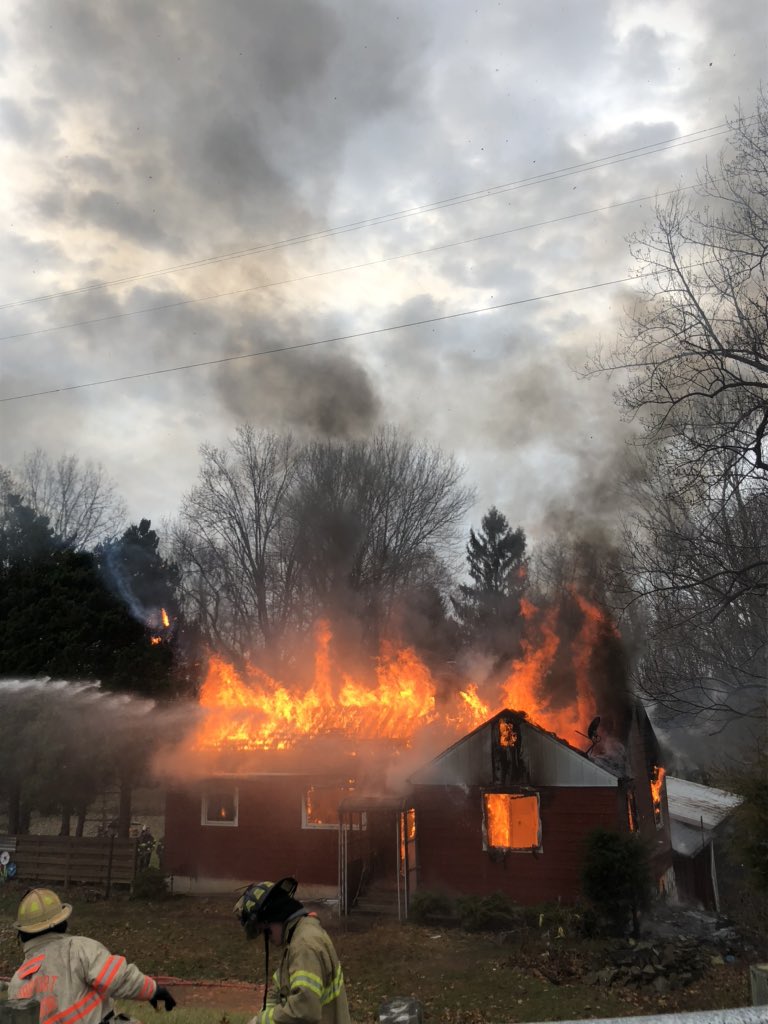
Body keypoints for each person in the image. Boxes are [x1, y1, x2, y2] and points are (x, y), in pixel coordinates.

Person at [8, 887, 177, 1024]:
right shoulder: (79, 949)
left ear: (23, 934)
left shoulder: (17, 982)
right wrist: (153, 990)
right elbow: (119, 978)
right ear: (62, 923)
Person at [234, 877, 350, 1024]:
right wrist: (266, 1011)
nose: (268, 939)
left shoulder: (305, 945)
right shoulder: (297, 937)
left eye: (266, 932)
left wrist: (262, 1021)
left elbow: (305, 1009)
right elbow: (279, 987)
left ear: (275, 917)